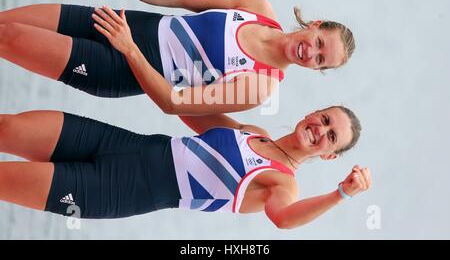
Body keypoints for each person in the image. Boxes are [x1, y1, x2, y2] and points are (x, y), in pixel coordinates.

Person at [0, 0, 355, 115]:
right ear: (315, 24)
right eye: (320, 43)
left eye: (321, 60)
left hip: (121, 68)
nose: (312, 52)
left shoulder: (261, 86)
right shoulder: (257, 10)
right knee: (5, 22)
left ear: (316, 69)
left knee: (8, 38)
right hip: (122, 21)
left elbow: (175, 104)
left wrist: (128, 49)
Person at [0, 105, 371, 228]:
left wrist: (341, 194)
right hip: (121, 142)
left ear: (329, 156)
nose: (319, 129)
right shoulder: (253, 132)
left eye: (331, 136)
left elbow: (283, 219)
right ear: (313, 112)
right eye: (324, 119)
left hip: (114, 189)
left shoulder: (282, 185)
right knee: (8, 127)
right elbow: (183, 106)